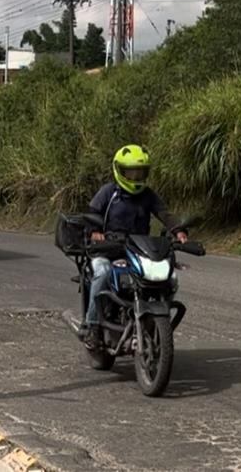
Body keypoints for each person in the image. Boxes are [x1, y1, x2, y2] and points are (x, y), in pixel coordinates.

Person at [82, 144, 188, 347]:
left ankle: (157, 316)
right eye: (130, 172)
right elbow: (91, 214)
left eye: (140, 172)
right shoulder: (108, 192)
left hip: (139, 250)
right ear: (119, 170)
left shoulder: (148, 195)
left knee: (169, 276)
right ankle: (93, 326)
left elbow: (164, 213)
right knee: (102, 272)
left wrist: (178, 230)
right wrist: (94, 232)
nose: (135, 177)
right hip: (108, 249)